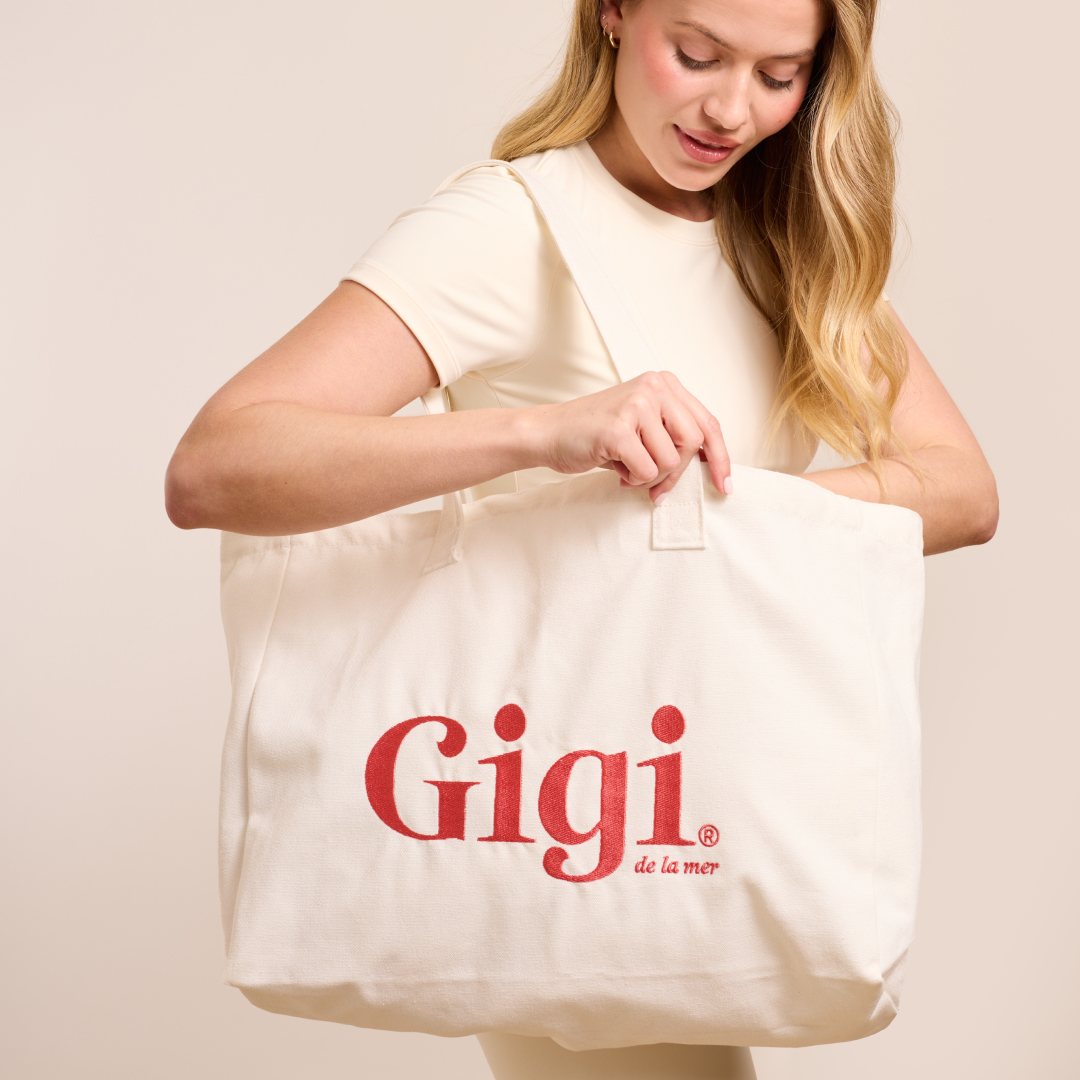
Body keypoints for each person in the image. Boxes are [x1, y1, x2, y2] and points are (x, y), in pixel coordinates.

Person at [165, 0, 998, 1075]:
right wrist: (540, 435)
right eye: (695, 54)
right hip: (566, 817)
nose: (731, 109)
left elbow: (961, 490)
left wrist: (736, 511)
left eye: (781, 75)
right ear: (612, 12)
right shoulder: (512, 226)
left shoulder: (785, 241)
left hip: (692, 816)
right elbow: (215, 465)